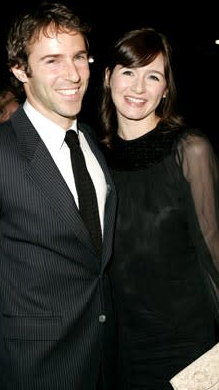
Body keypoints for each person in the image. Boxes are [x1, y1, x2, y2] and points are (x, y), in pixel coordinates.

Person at [0, 2, 117, 390]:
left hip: (106, 365)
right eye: (52, 61)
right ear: (20, 69)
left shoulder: (90, 140)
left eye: (79, 57)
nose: (73, 74)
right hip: (34, 372)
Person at [99, 27, 219, 390]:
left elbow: (214, 258)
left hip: (190, 351)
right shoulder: (93, 157)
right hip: (122, 352)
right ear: (107, 78)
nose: (138, 88)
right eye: (128, 72)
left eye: (153, 76)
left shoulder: (190, 150)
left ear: (166, 89)